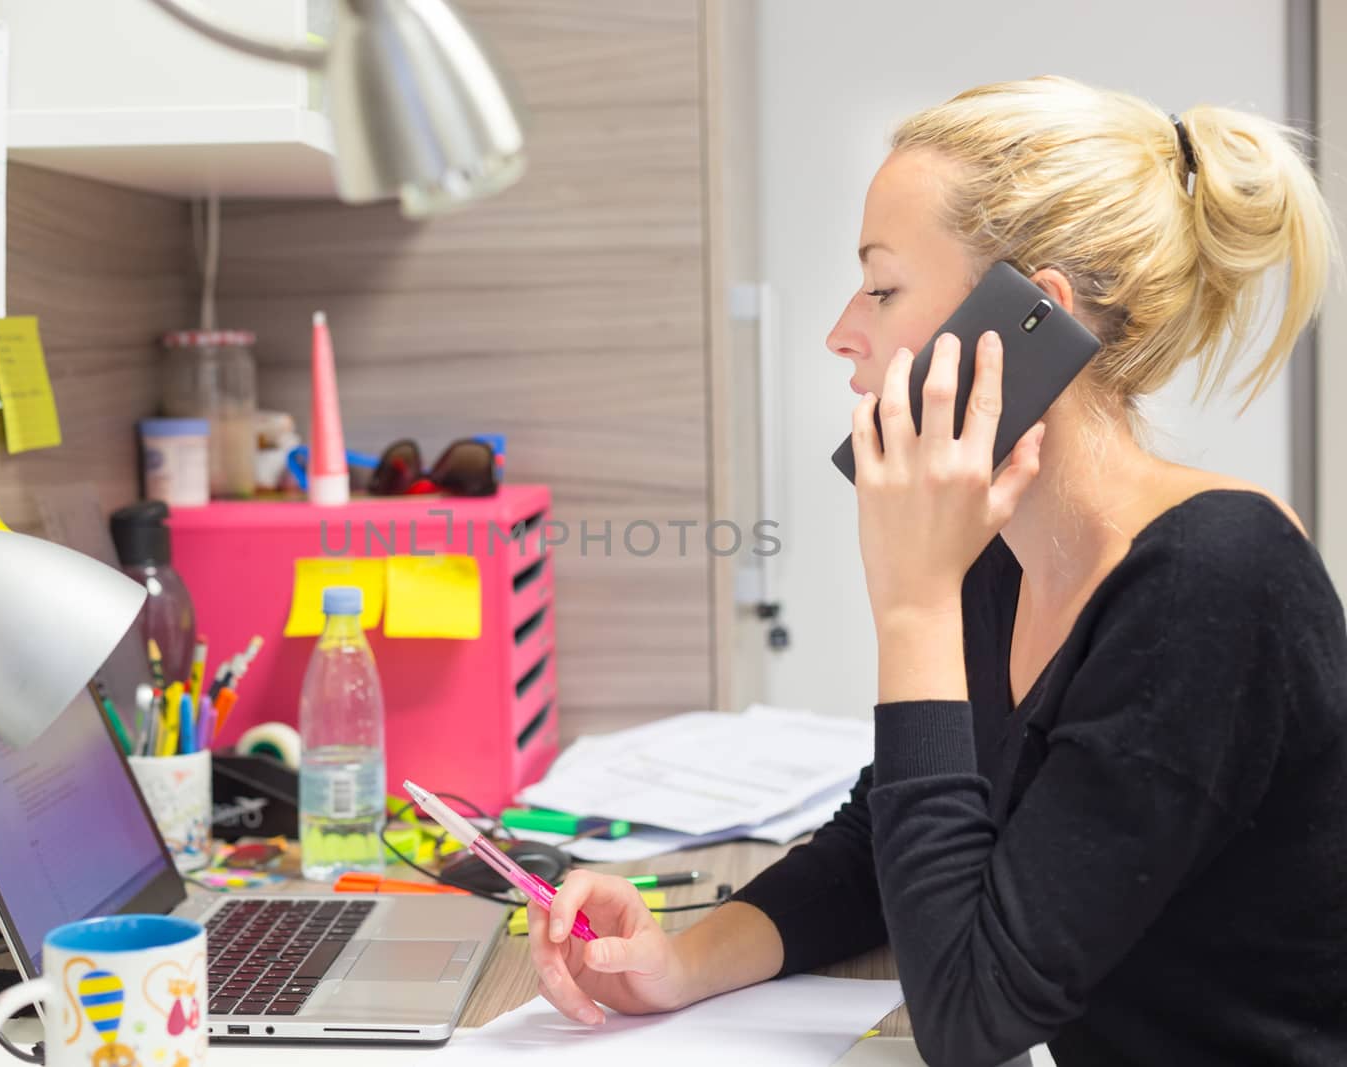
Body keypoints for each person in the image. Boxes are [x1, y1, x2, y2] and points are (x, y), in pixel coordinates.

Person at [527, 76, 1347, 1067]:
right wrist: (678, 958)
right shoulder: (1007, 553)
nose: (843, 330)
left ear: (1025, 319)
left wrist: (913, 602)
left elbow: (969, 1014)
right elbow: (888, 842)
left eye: (881, 286)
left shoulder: (1215, 582)